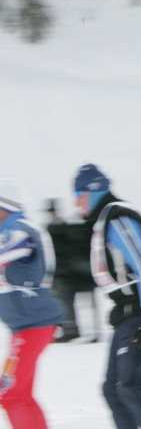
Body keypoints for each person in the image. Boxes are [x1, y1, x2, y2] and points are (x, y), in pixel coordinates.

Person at [74, 163, 141, 429]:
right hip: (131, 312)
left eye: (78, 195)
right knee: (113, 389)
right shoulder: (105, 218)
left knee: (130, 386)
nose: (76, 203)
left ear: (92, 192)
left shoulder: (117, 217)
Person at [0, 179, 64, 428]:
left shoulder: (20, 229)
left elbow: (8, 252)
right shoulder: (10, 230)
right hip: (24, 326)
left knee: (10, 393)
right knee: (18, 394)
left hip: (34, 324)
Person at [44, 198, 100, 343]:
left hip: (68, 275)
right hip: (84, 273)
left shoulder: (55, 230)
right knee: (80, 301)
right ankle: (88, 330)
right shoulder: (79, 230)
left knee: (63, 298)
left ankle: (71, 329)